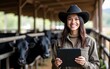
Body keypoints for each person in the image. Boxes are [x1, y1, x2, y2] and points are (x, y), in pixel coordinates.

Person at [51, 5, 100, 69]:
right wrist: (56, 65)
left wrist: (85, 63)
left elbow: (96, 66)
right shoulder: (58, 42)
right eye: (69, 19)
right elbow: (53, 66)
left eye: (76, 19)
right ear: (66, 22)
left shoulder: (90, 41)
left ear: (80, 21)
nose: (73, 22)